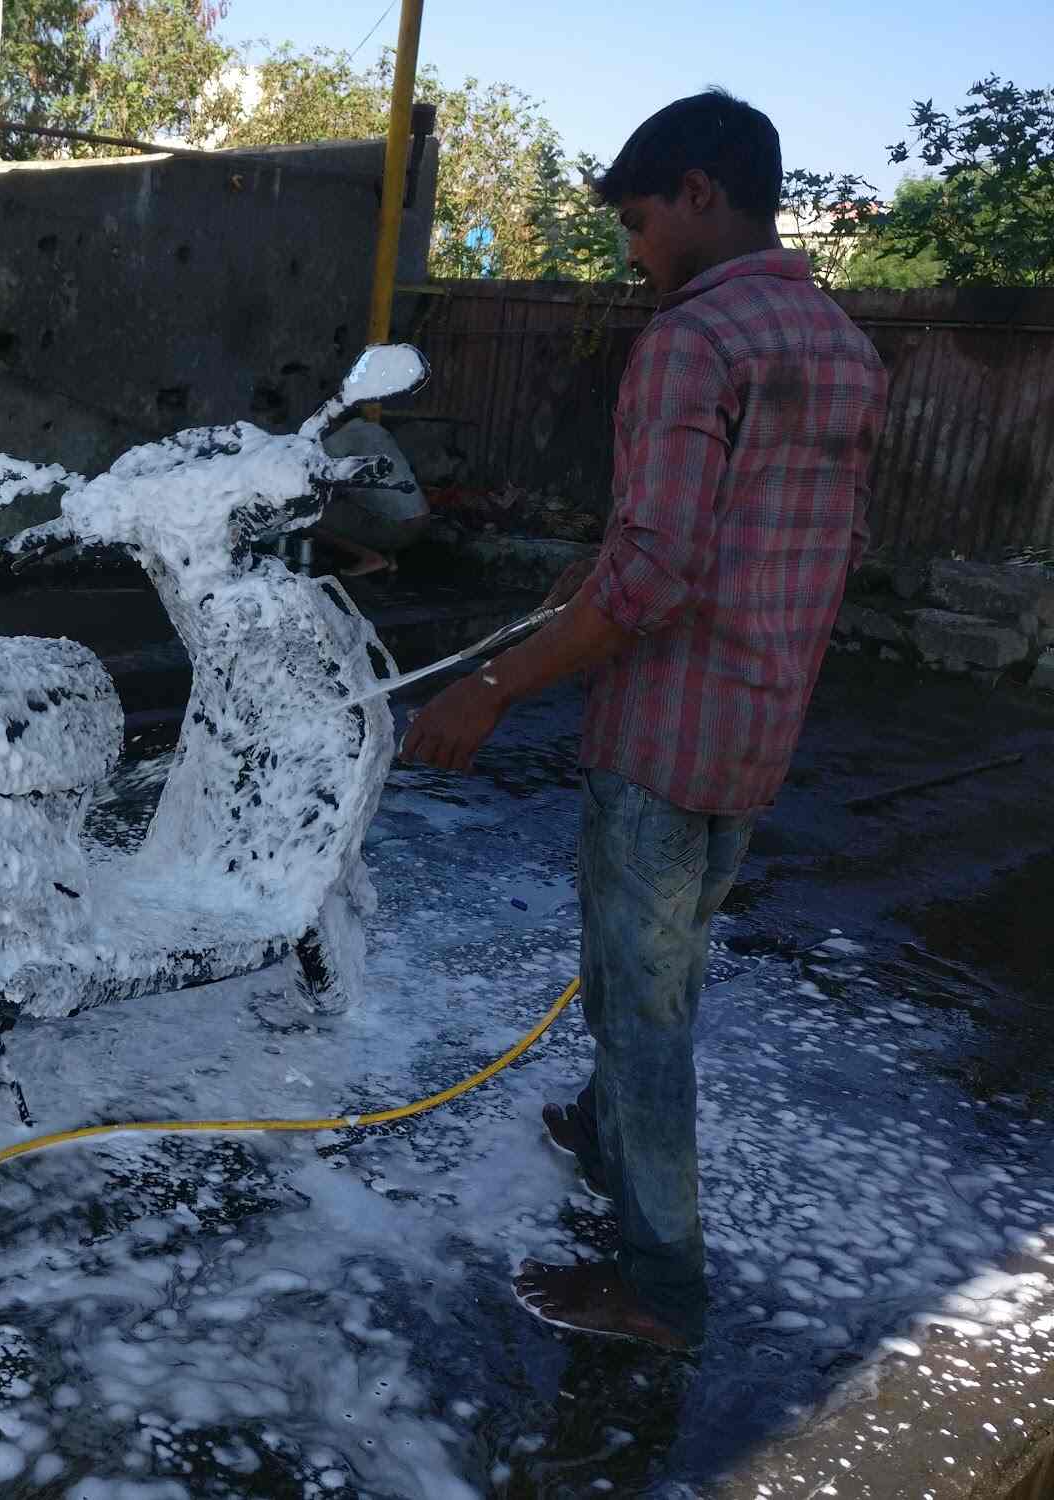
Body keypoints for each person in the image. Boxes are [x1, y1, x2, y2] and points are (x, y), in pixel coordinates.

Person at [401, 89, 887, 1352]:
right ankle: (600, 1122)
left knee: (641, 1007)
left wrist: (489, 688)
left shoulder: (692, 340)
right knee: (661, 967)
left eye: (635, 220)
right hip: (758, 728)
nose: (630, 250)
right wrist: (601, 568)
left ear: (697, 194)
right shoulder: (841, 344)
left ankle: (660, 1285)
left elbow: (656, 579)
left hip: (663, 737)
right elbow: (776, 540)